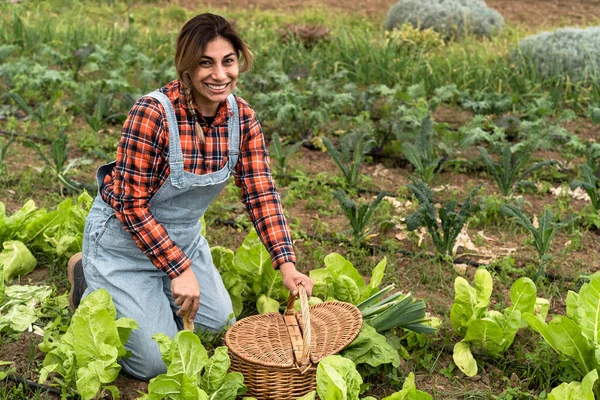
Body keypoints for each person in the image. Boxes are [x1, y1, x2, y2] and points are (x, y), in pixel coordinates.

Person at [67, 12, 314, 381]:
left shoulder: (242, 118)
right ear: (186, 66)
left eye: (228, 62)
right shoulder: (152, 114)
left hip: (182, 241)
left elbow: (261, 191)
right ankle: (88, 276)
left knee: (219, 327)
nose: (219, 74)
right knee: (156, 364)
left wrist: (286, 264)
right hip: (124, 244)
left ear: (239, 62)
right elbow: (130, 205)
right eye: (206, 63)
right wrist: (179, 270)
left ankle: (153, 295)